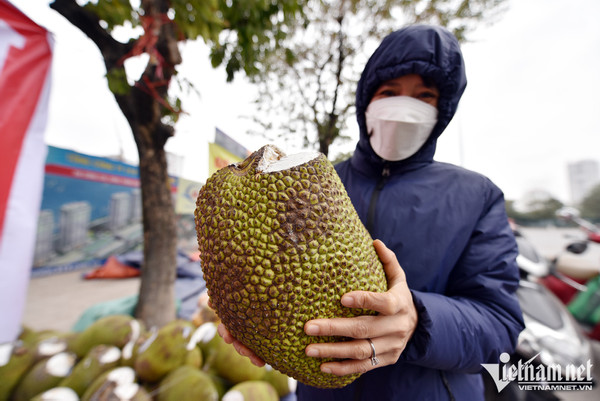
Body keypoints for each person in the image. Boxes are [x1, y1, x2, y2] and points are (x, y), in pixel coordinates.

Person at [219, 24, 525, 400]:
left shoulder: (477, 195)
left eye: (424, 96)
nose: (404, 107)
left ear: (442, 110)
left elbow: (502, 329)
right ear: (367, 100)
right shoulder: (312, 184)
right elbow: (268, 272)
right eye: (389, 92)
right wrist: (252, 319)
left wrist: (419, 322)